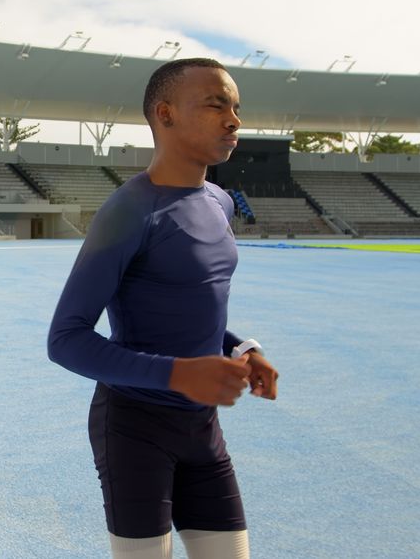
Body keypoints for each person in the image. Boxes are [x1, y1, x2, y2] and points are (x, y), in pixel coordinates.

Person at [47, 58, 279, 559]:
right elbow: (65, 338)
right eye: (216, 105)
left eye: (236, 108)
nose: (234, 120)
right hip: (135, 428)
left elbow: (193, 302)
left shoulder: (220, 201)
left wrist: (243, 348)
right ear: (166, 113)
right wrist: (178, 374)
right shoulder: (129, 211)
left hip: (203, 430)